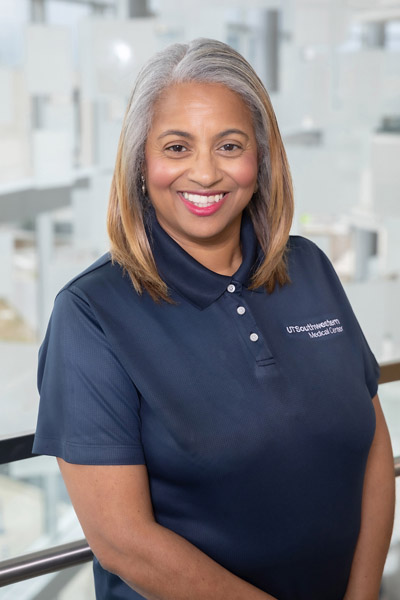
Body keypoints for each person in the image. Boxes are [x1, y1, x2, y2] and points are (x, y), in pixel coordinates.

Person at [33, 38, 395, 600]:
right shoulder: (89, 313)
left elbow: (373, 444)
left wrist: (365, 593)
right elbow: (123, 540)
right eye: (176, 147)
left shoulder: (310, 267)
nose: (204, 173)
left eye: (229, 145)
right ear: (141, 162)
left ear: (261, 158)